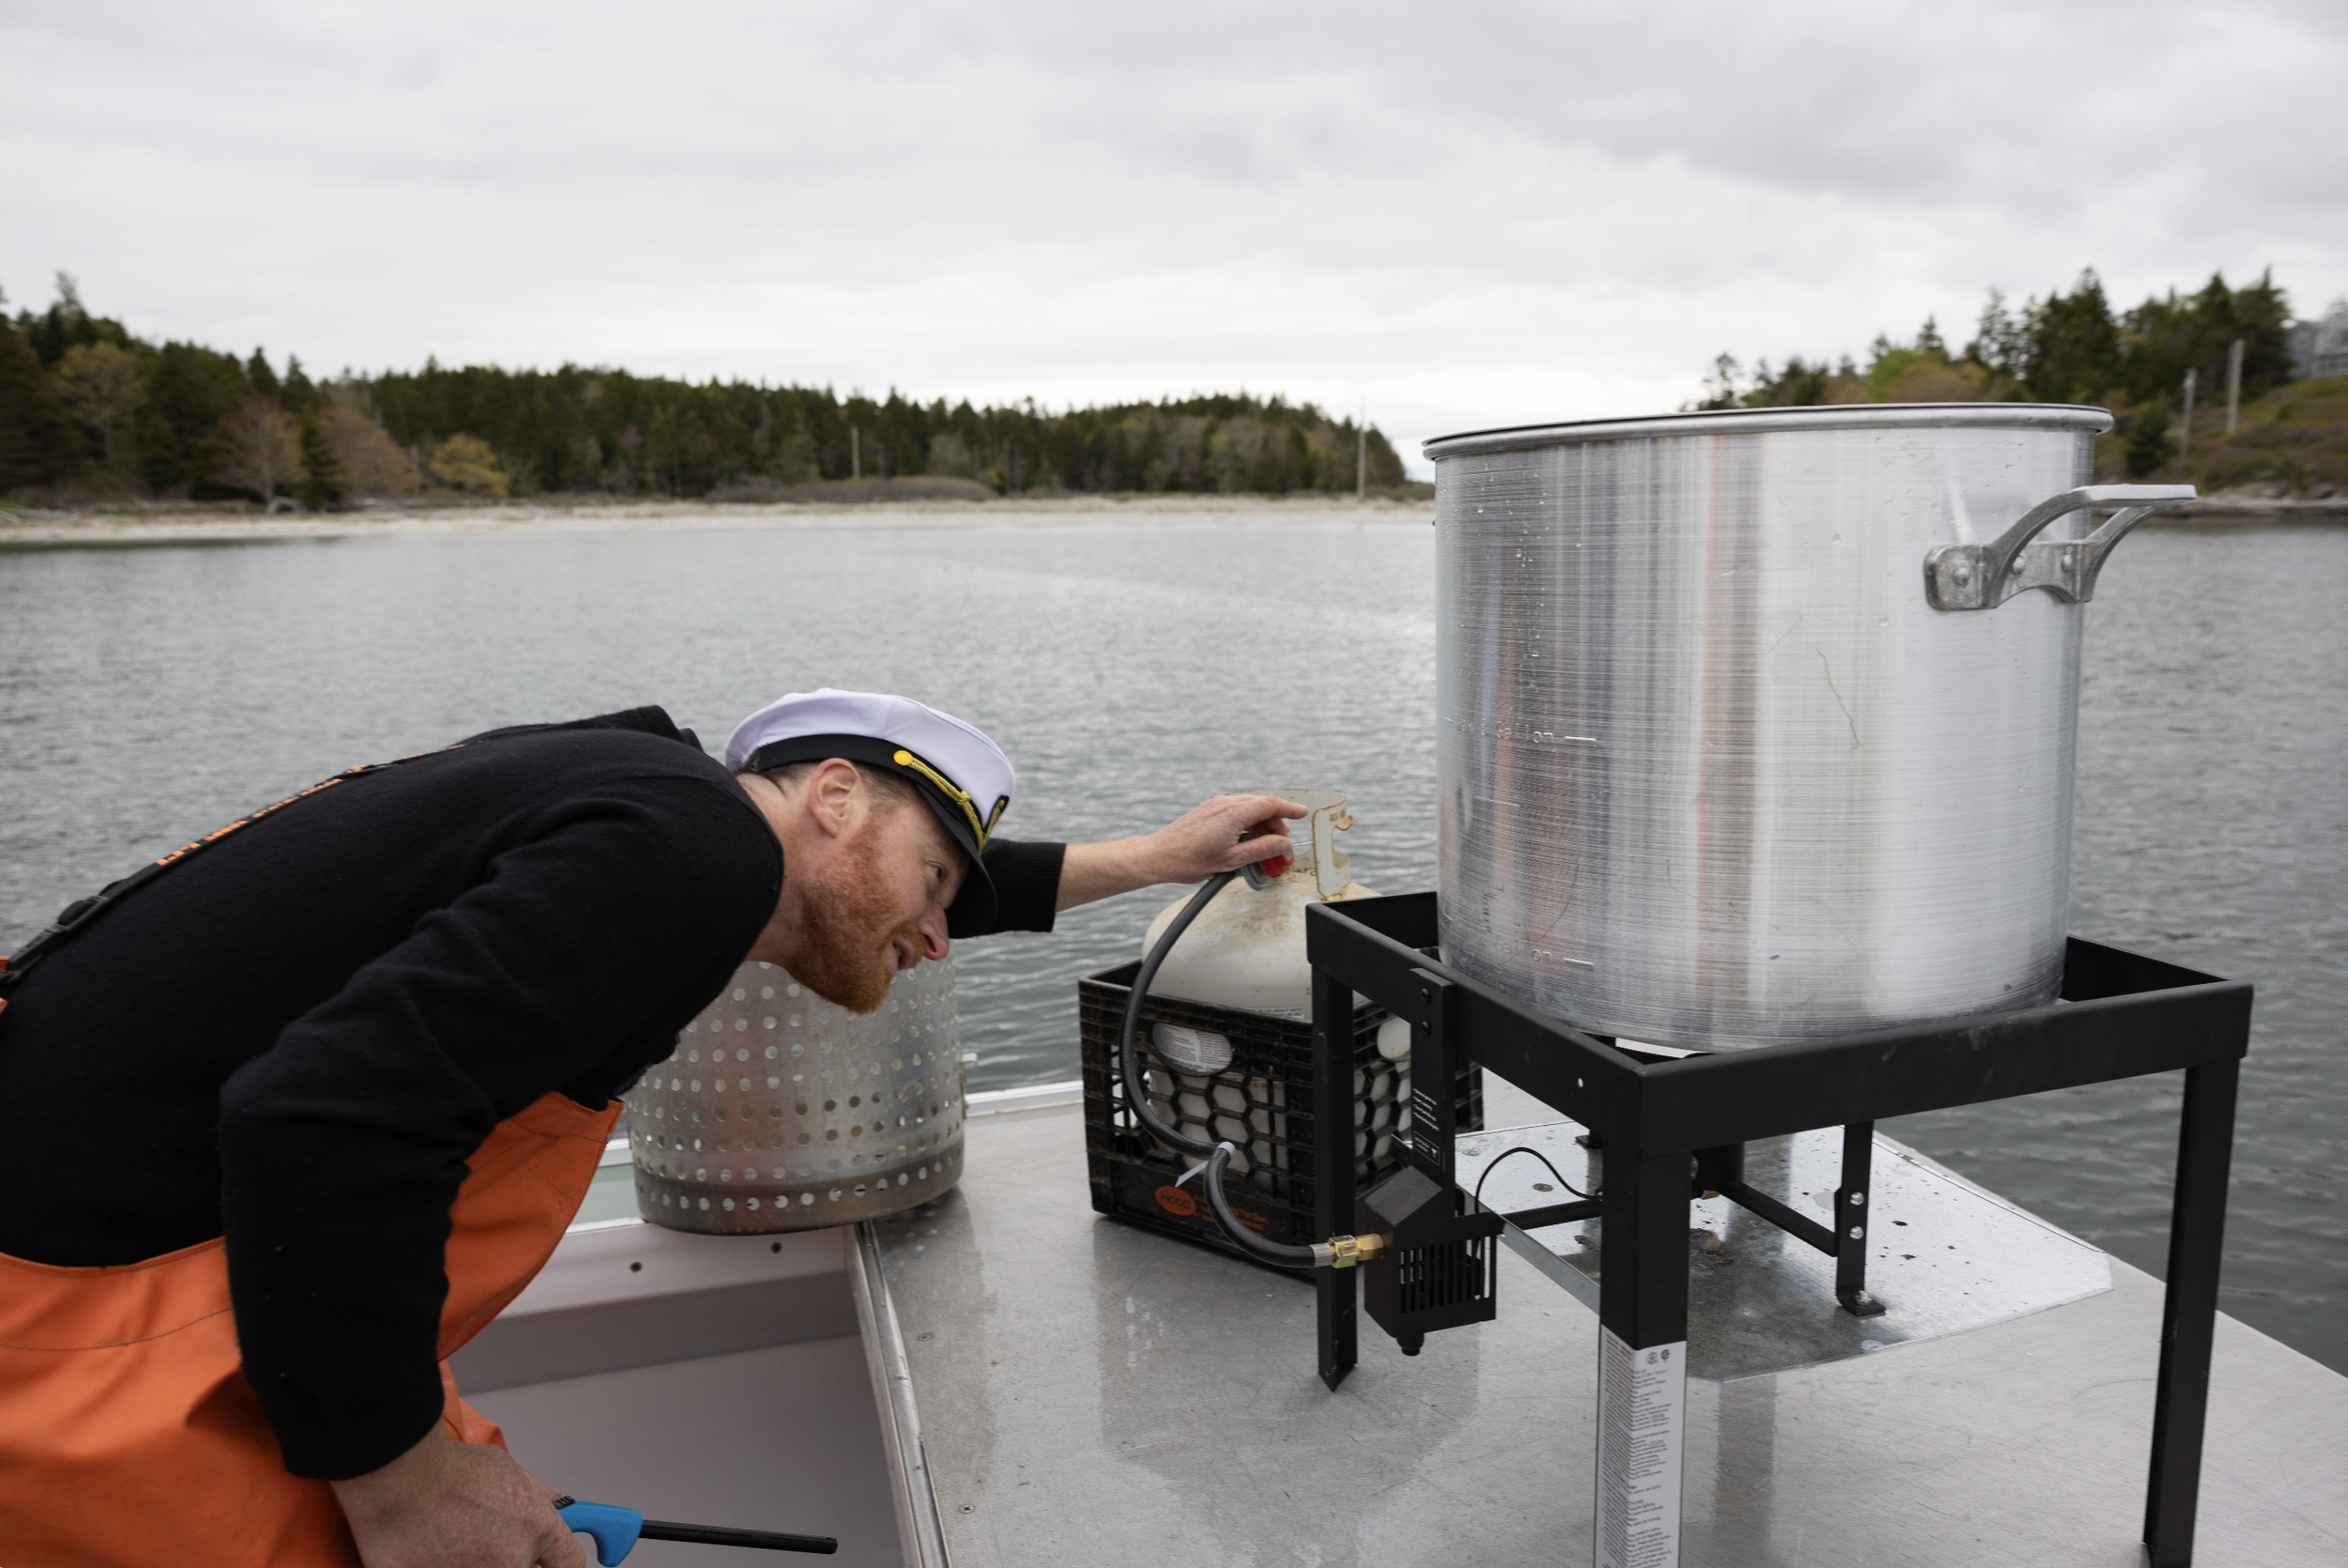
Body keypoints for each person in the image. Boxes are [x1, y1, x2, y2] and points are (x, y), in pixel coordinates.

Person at [0, 689, 1300, 1568]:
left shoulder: (651, 807)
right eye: (937, 882)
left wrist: (1158, 854)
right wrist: (403, 1490)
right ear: (834, 795)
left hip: (206, 1268)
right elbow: (320, 1119)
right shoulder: (699, 853)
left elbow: (330, 1139)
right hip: (65, 1324)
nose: (938, 930)